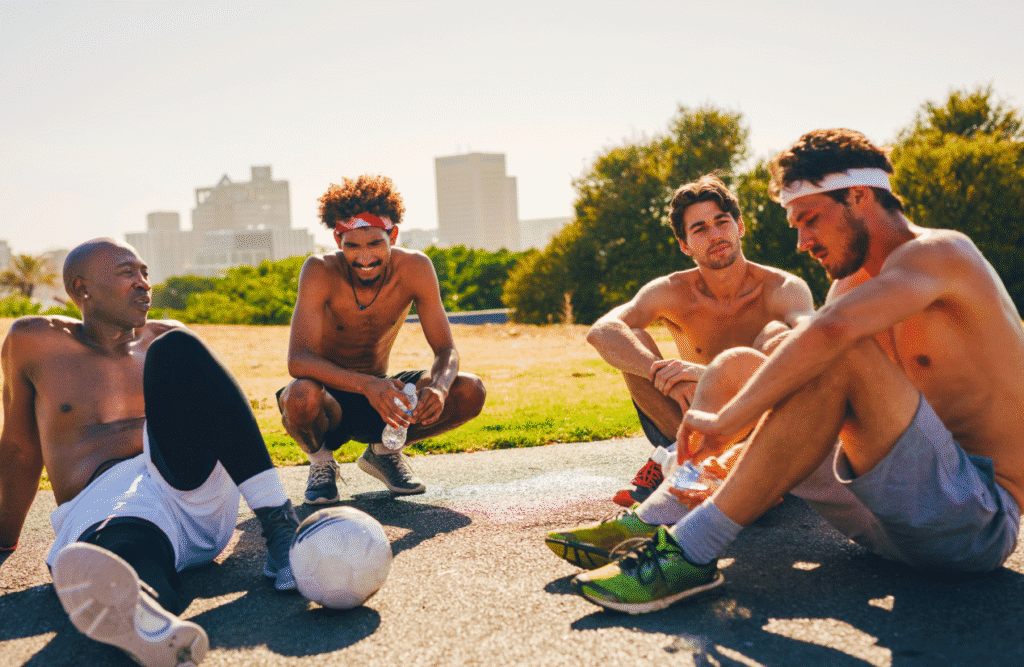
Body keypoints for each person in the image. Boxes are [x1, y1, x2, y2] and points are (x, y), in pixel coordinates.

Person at [571, 128, 1024, 614]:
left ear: (859, 196)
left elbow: (830, 335)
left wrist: (727, 421)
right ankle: (657, 518)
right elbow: (812, 371)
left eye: (810, 221)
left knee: (833, 349)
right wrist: (732, 427)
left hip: (972, 519)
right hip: (878, 521)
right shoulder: (849, 287)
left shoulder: (942, 253)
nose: (804, 242)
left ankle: (691, 550)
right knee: (738, 364)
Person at [0, 239, 300, 665]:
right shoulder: (35, 341)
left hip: (189, 487)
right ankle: (149, 622)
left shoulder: (166, 337)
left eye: (145, 272)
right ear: (82, 288)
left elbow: (224, 419)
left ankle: (281, 528)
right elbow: (18, 448)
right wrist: (3, 538)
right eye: (127, 273)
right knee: (119, 558)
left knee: (178, 347)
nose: (144, 284)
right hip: (108, 507)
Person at [546, 174, 813, 569]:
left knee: (778, 337)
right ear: (685, 245)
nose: (715, 234)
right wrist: (659, 372)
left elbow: (811, 346)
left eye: (722, 222)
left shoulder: (783, 288)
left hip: (759, 426)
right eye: (699, 229)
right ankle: (687, 467)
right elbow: (602, 331)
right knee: (631, 339)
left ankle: (673, 486)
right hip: (685, 425)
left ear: (740, 226)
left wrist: (706, 374)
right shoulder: (671, 290)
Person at [278, 175, 486, 504]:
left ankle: (384, 452)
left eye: (375, 243)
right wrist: (366, 386)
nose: (365, 257)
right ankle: (321, 463)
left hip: (382, 398)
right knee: (299, 396)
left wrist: (439, 388)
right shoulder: (319, 270)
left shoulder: (415, 267)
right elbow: (298, 360)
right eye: (353, 245)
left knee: (470, 390)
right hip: (329, 401)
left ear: (393, 236)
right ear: (338, 239)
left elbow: (446, 350)